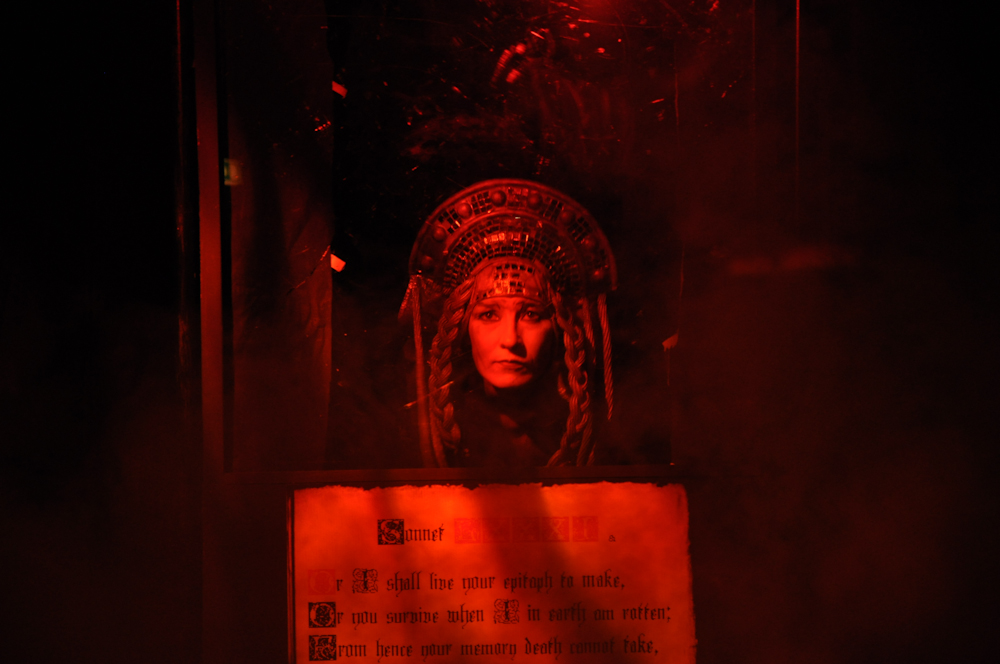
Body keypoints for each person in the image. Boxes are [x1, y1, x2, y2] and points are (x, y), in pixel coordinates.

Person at [400, 179, 617, 467]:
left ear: (559, 329)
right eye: (489, 315)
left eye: (531, 315)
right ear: (462, 327)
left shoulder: (601, 441)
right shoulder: (422, 438)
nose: (511, 339)